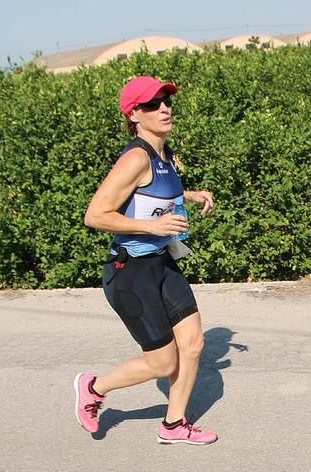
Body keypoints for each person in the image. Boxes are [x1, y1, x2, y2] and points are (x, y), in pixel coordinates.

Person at [74, 75, 218, 444]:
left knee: (194, 344)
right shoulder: (136, 157)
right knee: (163, 362)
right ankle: (93, 387)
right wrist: (151, 228)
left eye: (167, 101)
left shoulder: (163, 154)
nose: (164, 108)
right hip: (130, 273)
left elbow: (151, 194)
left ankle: (174, 426)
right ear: (134, 114)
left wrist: (187, 194)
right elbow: (95, 215)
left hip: (160, 263)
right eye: (153, 104)